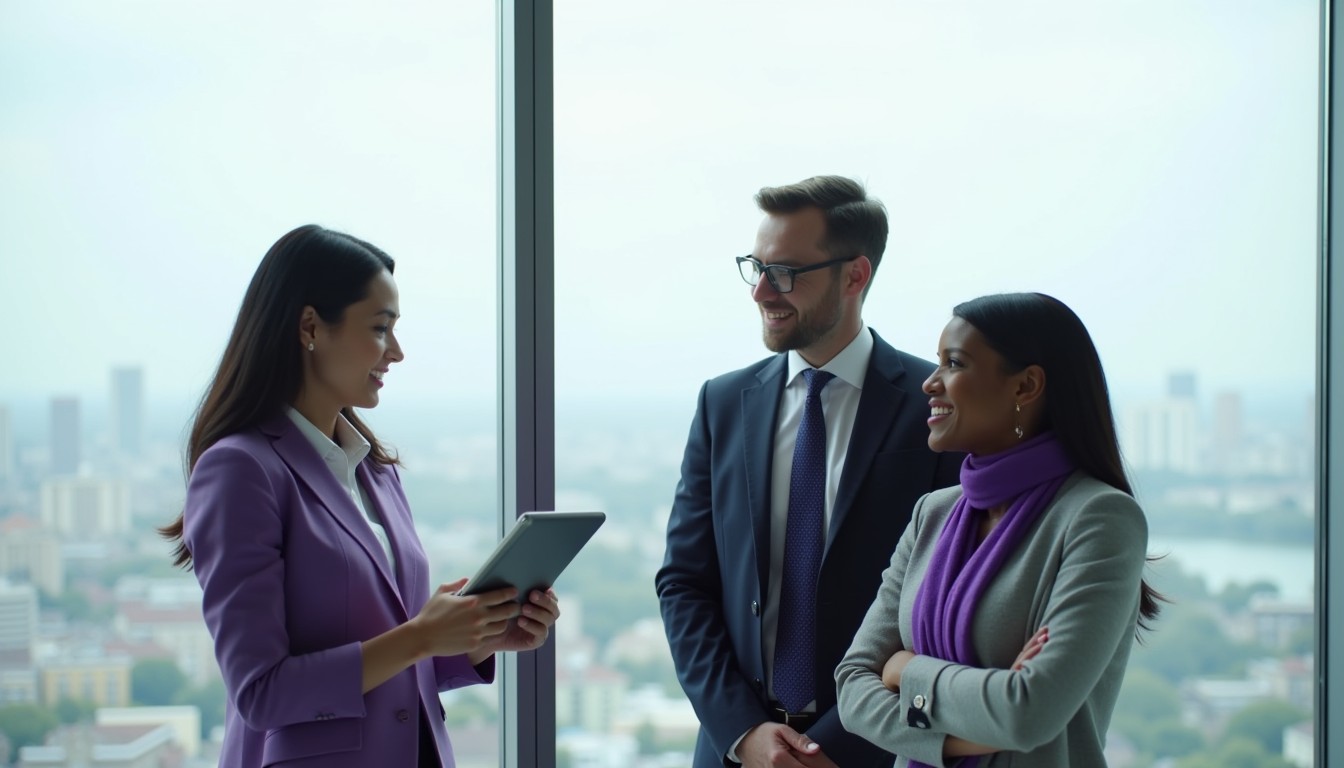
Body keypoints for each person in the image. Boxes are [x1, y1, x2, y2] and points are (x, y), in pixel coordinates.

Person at [158, 225, 560, 768]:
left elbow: (391, 675)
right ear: (310, 327)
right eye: (379, 328)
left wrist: (473, 639)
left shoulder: (374, 470)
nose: (397, 352)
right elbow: (261, 693)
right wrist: (422, 636)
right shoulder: (241, 470)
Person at [656, 175, 962, 767]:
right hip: (734, 751)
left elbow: (943, 602)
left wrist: (832, 748)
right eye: (756, 268)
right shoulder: (723, 403)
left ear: (854, 276)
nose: (761, 292)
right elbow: (684, 584)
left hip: (874, 750)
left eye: (785, 272)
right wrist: (743, 731)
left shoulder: (934, 405)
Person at [835, 292, 1162, 768]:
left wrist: (906, 669)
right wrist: (959, 740)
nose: (930, 383)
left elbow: (1028, 712)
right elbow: (852, 687)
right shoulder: (932, 514)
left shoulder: (1100, 518)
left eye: (954, 363)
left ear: (1026, 386)